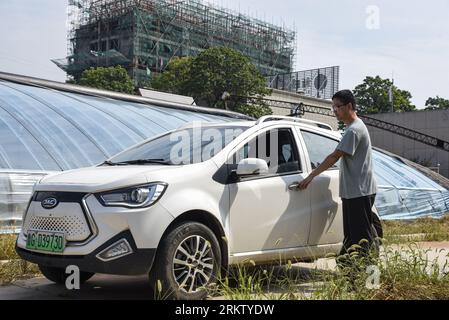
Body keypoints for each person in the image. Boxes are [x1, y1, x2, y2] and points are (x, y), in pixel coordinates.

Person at [298, 89, 378, 257]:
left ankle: (371, 279)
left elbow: (335, 156)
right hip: (356, 191)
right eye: (332, 107)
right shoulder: (353, 128)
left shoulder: (353, 130)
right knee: (353, 237)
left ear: (349, 106)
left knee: (361, 239)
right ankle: (352, 275)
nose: (334, 111)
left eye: (337, 107)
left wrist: (311, 175)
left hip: (359, 192)